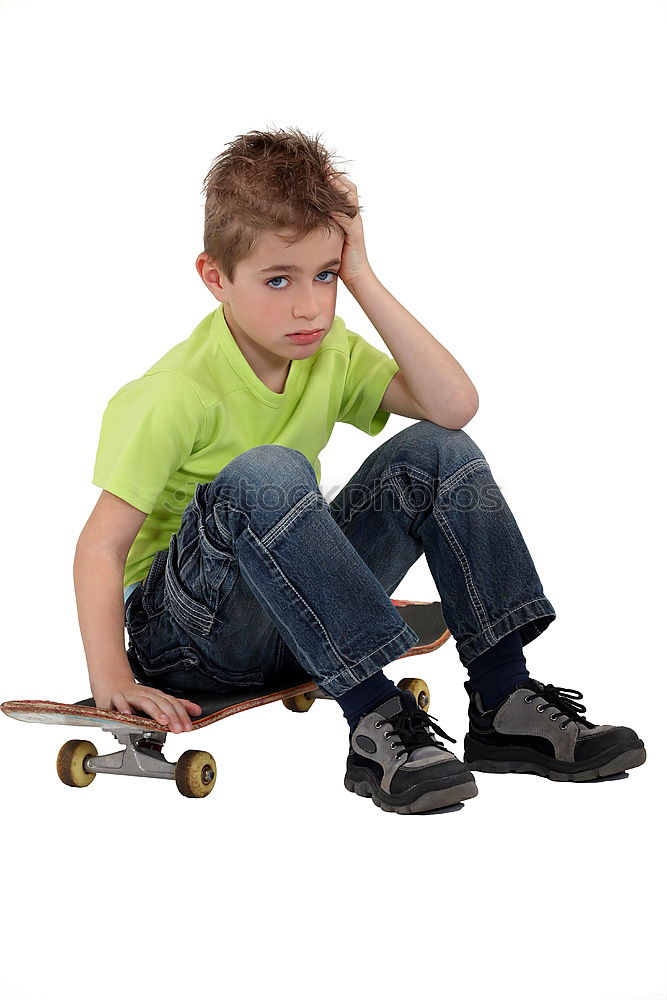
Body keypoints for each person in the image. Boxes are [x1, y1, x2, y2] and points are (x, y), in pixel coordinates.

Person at [73, 127, 646, 814]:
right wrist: (111, 675)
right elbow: (100, 546)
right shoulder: (171, 394)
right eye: (277, 280)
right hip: (190, 637)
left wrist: (363, 273)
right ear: (215, 277)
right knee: (268, 472)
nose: (308, 305)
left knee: (439, 450)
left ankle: (503, 697)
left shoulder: (329, 352)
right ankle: (375, 718)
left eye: (324, 276)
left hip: (300, 616)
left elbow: (453, 405)